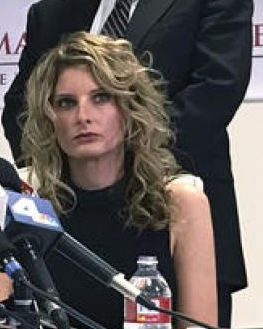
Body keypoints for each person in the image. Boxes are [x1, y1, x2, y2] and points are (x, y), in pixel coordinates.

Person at [1, 0, 251, 323]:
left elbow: (211, 100)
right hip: (68, 235)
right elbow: (20, 112)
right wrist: (66, 177)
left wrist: (121, 165)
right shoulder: (54, 12)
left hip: (171, 230)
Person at [15, 31, 216, 328]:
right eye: (66, 103)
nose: (83, 116)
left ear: (129, 109)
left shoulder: (181, 202)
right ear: (49, 119)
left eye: (101, 97)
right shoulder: (26, 211)